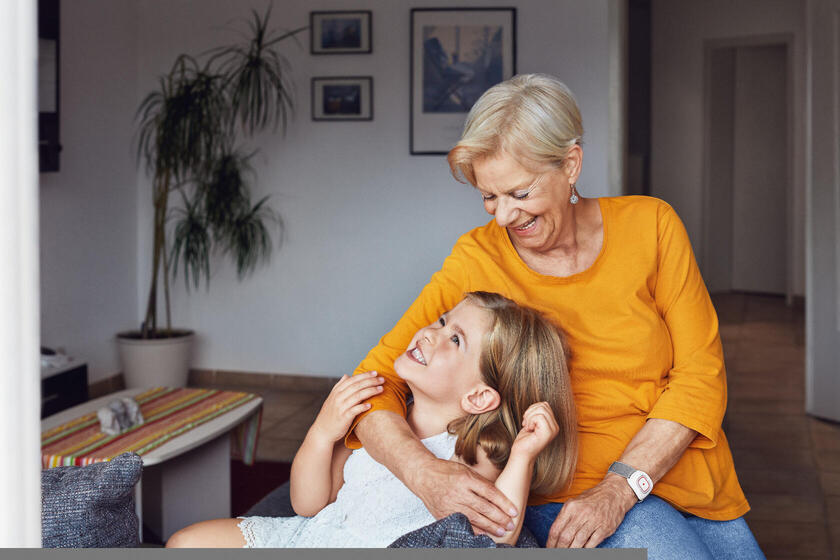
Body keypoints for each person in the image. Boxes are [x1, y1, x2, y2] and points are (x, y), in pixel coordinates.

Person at [346, 74, 765, 559]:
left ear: (570, 164)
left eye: (519, 193)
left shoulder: (652, 226)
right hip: (566, 497)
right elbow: (374, 381)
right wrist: (423, 472)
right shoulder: (476, 258)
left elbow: (701, 376)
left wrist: (620, 489)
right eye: (488, 196)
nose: (503, 217)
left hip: (680, 477)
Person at [166, 291, 577, 548]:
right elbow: (307, 503)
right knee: (185, 542)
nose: (430, 333)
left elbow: (498, 535)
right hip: (318, 538)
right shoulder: (381, 419)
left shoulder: (473, 450)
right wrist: (321, 432)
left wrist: (522, 455)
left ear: (479, 396)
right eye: (440, 321)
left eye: (455, 339)